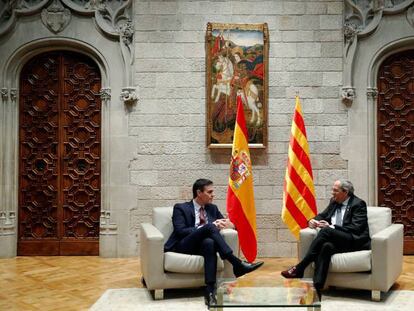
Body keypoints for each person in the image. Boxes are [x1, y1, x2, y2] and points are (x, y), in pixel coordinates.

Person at [164, 179, 264, 306]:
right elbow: (180, 231)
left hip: (203, 247)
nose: (213, 195)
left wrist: (231, 225)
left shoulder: (212, 209)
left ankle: (210, 291)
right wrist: (207, 227)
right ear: (199, 193)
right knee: (210, 227)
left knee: (209, 243)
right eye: (209, 192)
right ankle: (236, 263)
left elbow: (225, 224)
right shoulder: (181, 208)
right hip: (184, 245)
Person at [281, 180, 370, 298]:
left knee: (326, 231)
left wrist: (331, 227)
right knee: (326, 246)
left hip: (353, 240)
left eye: (335, 190)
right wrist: (312, 221)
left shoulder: (358, 204)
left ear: (345, 192)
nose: (332, 193)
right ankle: (318, 288)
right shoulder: (334, 201)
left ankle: (300, 267)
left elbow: (356, 228)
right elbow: (323, 215)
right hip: (337, 240)